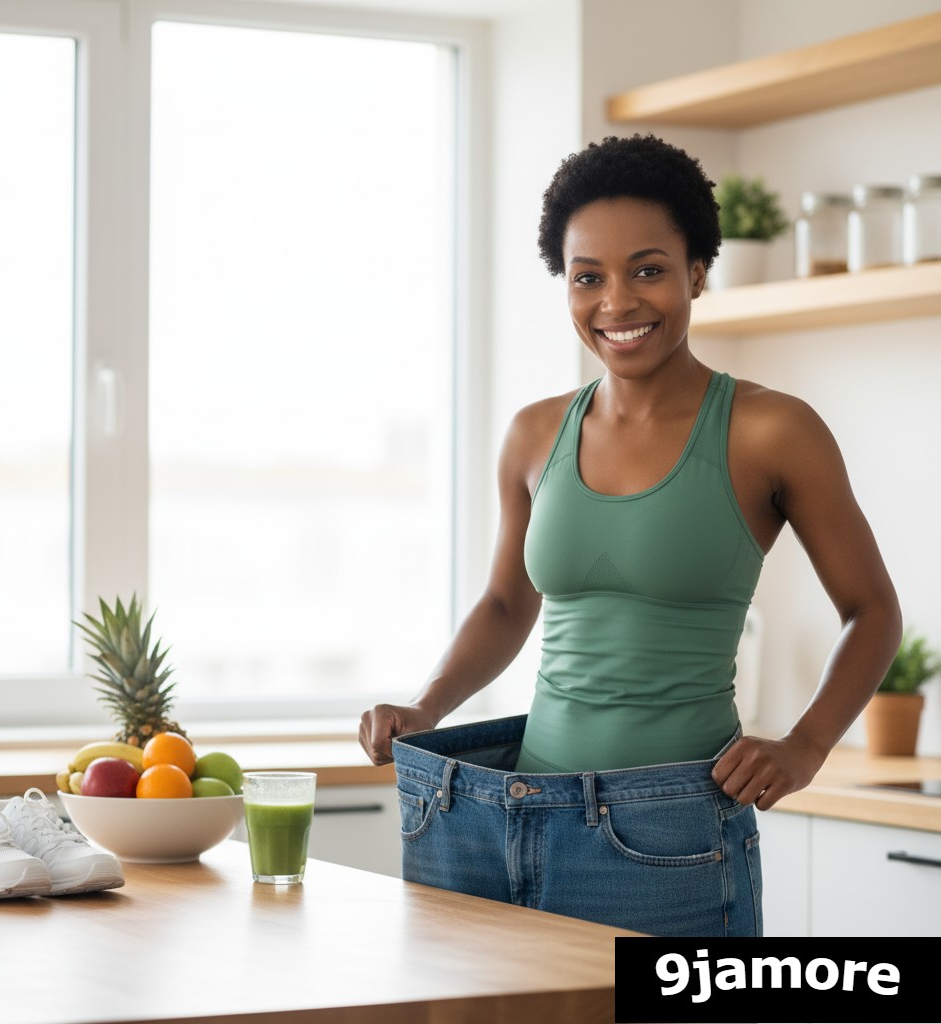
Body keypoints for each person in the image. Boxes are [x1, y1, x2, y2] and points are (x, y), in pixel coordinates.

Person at [358, 133, 902, 937]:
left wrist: (806, 745)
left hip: (669, 837)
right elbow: (508, 605)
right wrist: (428, 703)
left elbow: (872, 610)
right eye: (588, 278)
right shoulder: (534, 434)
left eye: (647, 269)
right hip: (498, 815)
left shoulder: (770, 431)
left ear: (697, 272)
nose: (616, 302)